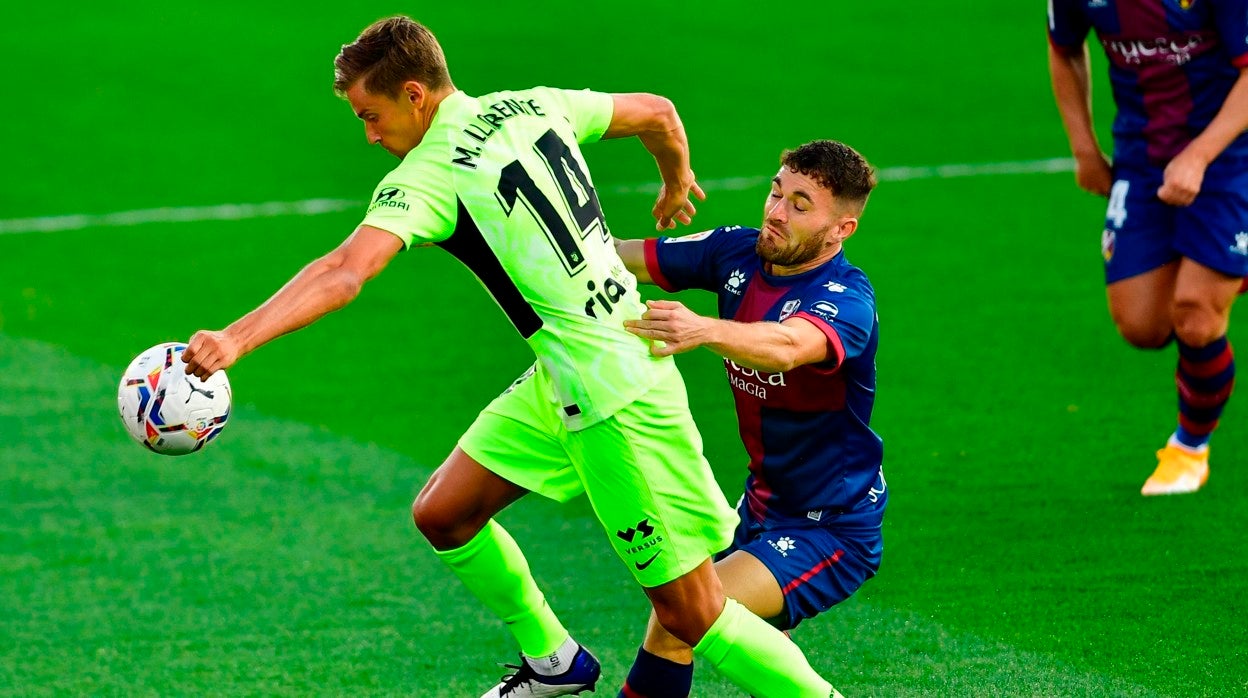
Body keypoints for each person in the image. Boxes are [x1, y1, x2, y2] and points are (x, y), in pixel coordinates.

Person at [181, 15, 840, 698]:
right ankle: (555, 662)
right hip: (570, 367)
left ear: (415, 94)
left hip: (612, 397)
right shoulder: (535, 104)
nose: (371, 135)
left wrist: (236, 340)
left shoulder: (430, 174)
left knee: (691, 613)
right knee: (444, 513)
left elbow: (346, 271)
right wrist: (676, 181)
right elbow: (658, 114)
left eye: (370, 116)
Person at [612, 140, 885, 698]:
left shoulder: (847, 300)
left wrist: (704, 329)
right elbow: (614, 255)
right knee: (675, 622)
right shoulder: (737, 251)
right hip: (757, 507)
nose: (776, 212)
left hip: (829, 527)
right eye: (776, 192)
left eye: (801, 205)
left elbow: (788, 345)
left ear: (842, 230)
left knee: (681, 618)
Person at [1047, 1, 1248, 495]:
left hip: (1231, 153)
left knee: (1196, 314)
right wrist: (1084, 149)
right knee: (1142, 325)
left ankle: (1188, 449)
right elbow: (1064, 48)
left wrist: (1199, 156)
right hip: (1143, 154)